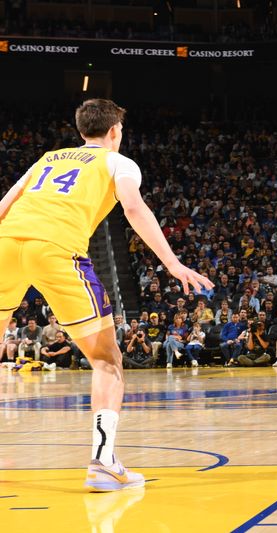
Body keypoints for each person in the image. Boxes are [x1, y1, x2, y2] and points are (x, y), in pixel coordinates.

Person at [0, 99, 212, 491]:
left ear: (81, 131)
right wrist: (172, 263)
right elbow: (133, 207)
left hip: (5, 245)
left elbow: (4, 206)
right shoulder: (119, 162)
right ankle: (102, 462)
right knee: (107, 361)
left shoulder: (46, 158)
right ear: (115, 130)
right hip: (55, 248)